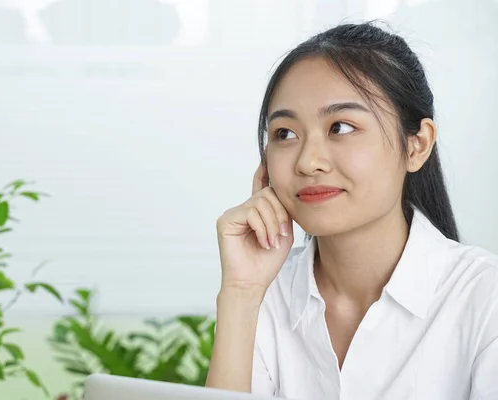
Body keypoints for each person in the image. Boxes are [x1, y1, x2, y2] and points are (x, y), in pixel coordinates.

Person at [205, 22, 498, 400]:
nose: (308, 162)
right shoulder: (264, 294)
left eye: (340, 127)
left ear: (417, 146)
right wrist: (241, 293)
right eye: (285, 134)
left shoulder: (484, 299)